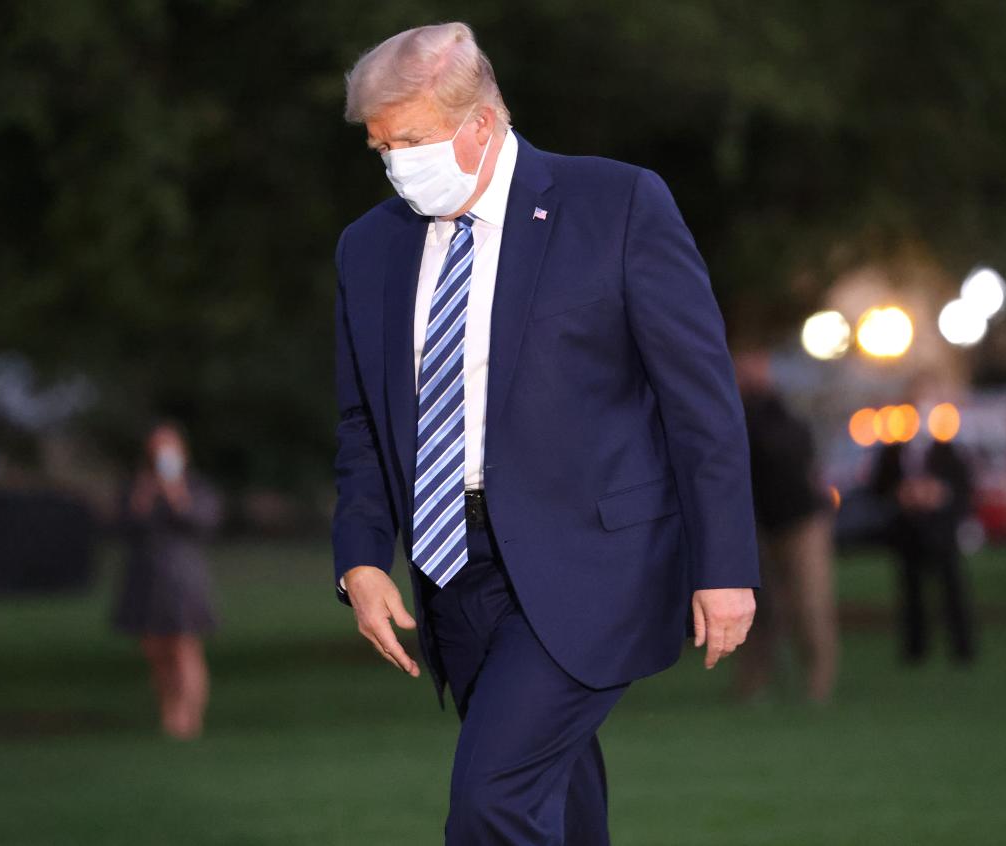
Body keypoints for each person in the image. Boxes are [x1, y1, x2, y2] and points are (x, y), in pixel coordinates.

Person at [331, 22, 759, 845]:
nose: (395, 165)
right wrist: (359, 555)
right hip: (456, 573)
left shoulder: (618, 204)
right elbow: (363, 423)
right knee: (555, 799)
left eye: (412, 140)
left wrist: (727, 566)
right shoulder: (368, 248)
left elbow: (701, 403)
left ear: (482, 123)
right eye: (380, 147)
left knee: (492, 801)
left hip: (597, 560)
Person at [732, 349, 838, 703]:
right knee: (761, 610)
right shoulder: (735, 412)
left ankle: (818, 683)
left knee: (810, 603)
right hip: (762, 525)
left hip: (802, 520)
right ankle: (755, 683)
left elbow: (789, 452)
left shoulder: (777, 412)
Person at [113, 422, 222, 739]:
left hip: (182, 578)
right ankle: (170, 712)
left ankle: (191, 718)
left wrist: (176, 494)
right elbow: (123, 527)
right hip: (146, 576)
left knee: (184, 645)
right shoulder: (138, 486)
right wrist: (143, 497)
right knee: (155, 647)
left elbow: (203, 523)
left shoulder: (196, 486)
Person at [870, 389, 977, 665]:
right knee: (911, 591)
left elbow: (963, 486)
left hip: (941, 530)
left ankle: (962, 649)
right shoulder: (893, 451)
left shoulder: (947, 449)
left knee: (952, 588)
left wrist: (939, 493)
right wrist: (901, 494)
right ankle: (915, 650)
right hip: (909, 531)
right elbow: (878, 487)